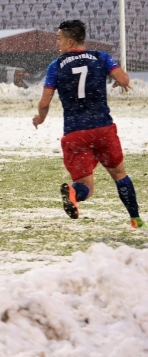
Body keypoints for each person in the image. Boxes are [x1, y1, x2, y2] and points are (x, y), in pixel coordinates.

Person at [32, 19, 146, 229]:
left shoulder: (56, 66)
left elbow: (45, 102)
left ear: (71, 42)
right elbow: (124, 78)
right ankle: (136, 219)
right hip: (102, 127)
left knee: (86, 186)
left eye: (60, 39)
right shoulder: (100, 57)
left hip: (76, 133)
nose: (57, 43)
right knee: (119, 174)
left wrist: (40, 118)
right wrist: (118, 80)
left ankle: (74, 192)